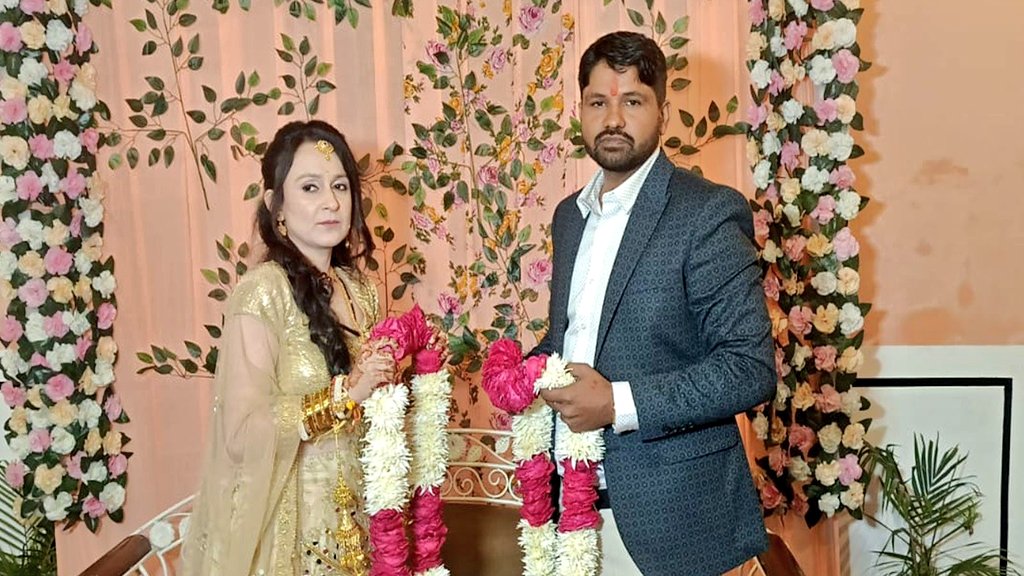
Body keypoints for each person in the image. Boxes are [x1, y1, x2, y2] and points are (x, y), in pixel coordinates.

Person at [533, 32, 776, 575]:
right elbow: (572, 335)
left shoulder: (706, 212)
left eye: (633, 101)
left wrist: (616, 403)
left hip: (678, 520)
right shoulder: (569, 217)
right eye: (598, 102)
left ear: (662, 113)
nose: (613, 119)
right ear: (579, 111)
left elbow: (749, 368)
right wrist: (522, 368)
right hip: (572, 506)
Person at [181, 120, 395, 576]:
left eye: (340, 186)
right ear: (275, 205)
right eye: (310, 187)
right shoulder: (263, 292)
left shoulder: (361, 290)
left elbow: (374, 408)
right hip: (292, 533)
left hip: (362, 519)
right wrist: (342, 396)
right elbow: (241, 432)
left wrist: (408, 370)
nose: (331, 202)